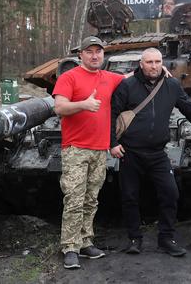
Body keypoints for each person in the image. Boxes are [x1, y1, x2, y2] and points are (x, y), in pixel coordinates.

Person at [109, 47, 191, 257]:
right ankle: (134, 239)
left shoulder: (171, 85)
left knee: (170, 193)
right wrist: (112, 142)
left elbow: (188, 108)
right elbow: (112, 113)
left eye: (157, 62)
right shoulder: (127, 85)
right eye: (149, 62)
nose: (153, 66)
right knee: (130, 196)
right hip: (130, 152)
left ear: (162, 63)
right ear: (141, 64)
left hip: (158, 153)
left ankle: (166, 238)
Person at [52, 36, 126, 269]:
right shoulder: (69, 77)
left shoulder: (109, 77)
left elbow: (133, 78)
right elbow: (60, 107)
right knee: (74, 198)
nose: (95, 56)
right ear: (80, 55)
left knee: (91, 199)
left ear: (103, 55)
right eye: (89, 51)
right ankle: (70, 247)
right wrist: (83, 104)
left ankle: (85, 241)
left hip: (99, 149)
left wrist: (159, 67)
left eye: (98, 52)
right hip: (75, 148)